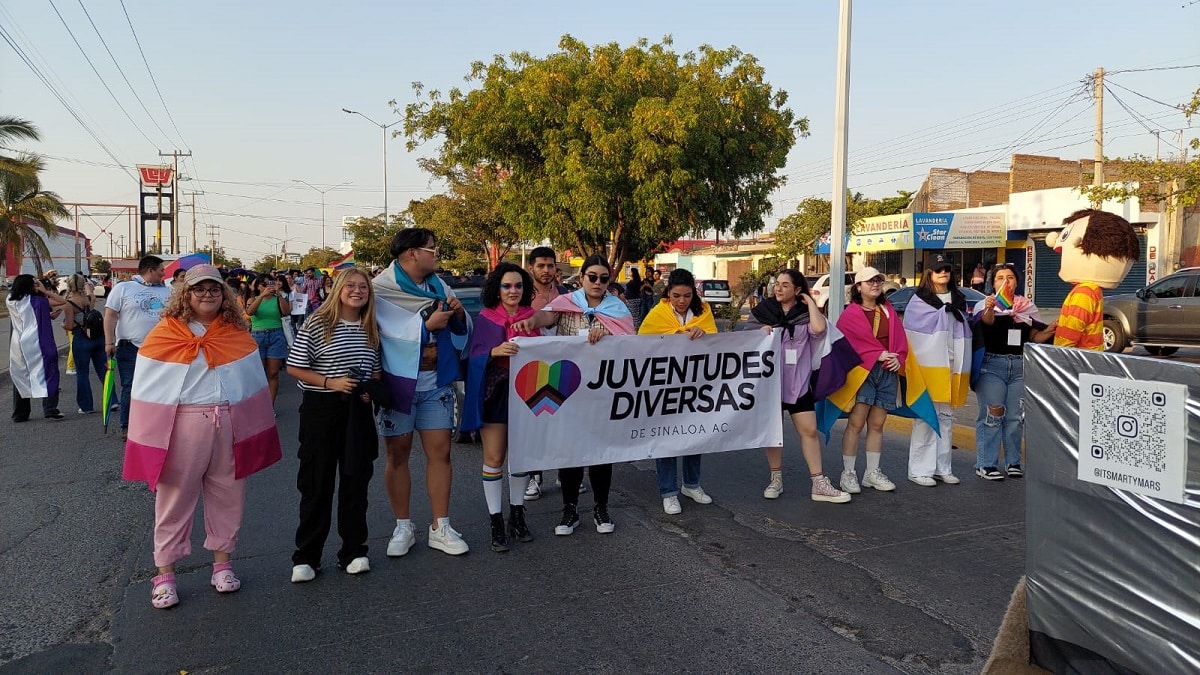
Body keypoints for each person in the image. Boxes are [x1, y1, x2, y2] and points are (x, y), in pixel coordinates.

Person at [122, 265, 282, 609]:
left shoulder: (236, 332)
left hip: (229, 421)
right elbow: (147, 387)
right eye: (199, 289)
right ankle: (165, 575)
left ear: (224, 294)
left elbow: (251, 383)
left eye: (214, 289)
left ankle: (222, 565)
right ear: (186, 294)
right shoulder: (166, 332)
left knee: (229, 493)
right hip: (183, 423)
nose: (207, 295)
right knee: (174, 498)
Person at [513, 254, 636, 536]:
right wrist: (530, 321)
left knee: (601, 452)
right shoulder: (567, 303)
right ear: (581, 278)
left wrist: (607, 336)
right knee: (570, 451)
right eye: (592, 277)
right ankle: (569, 510)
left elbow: (631, 344)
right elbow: (547, 316)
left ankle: (601, 508)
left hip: (603, 391)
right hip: (568, 390)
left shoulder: (618, 309)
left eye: (603, 278)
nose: (597, 283)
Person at [373, 228, 473, 557]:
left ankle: (440, 526)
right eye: (432, 248)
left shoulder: (439, 286)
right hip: (399, 384)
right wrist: (425, 327)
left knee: (441, 453)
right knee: (397, 455)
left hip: (435, 383)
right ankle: (403, 526)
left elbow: (460, 327)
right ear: (412, 253)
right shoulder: (380, 288)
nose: (436, 253)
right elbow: (378, 333)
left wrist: (459, 313)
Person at [286, 269, 385, 582]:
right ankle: (307, 556)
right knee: (316, 483)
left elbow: (376, 371)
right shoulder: (318, 322)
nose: (357, 291)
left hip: (357, 409)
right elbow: (295, 366)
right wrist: (331, 382)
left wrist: (369, 390)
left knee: (356, 482)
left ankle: (353, 551)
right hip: (321, 407)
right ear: (338, 289)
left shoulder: (371, 327)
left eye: (363, 287)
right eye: (350, 286)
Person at [747, 270, 849, 503]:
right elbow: (744, 339)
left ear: (797, 289)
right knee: (773, 433)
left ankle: (819, 483)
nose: (778, 288)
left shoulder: (805, 315)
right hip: (771, 384)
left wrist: (810, 303)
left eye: (785, 285)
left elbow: (819, 329)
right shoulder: (763, 312)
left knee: (809, 431)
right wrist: (759, 333)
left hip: (799, 384)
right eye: (777, 284)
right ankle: (775, 478)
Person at [461, 262, 541, 552]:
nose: (513, 291)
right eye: (507, 285)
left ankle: (517, 515)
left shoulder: (532, 318)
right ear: (497, 289)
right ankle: (496, 520)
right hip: (496, 392)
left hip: (527, 394)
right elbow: (472, 357)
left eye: (518, 285)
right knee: (494, 457)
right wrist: (494, 352)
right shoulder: (486, 318)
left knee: (520, 458)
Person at [638, 268, 717, 514]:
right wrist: (678, 334)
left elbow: (717, 343)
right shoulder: (657, 313)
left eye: (687, 295)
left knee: (695, 433)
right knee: (666, 437)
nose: (682, 301)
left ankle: (692, 484)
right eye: (676, 296)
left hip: (696, 384)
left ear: (694, 293)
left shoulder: (703, 312)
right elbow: (642, 342)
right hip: (665, 385)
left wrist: (703, 334)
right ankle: (669, 492)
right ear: (668, 294)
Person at [824, 267, 907, 494]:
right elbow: (845, 345)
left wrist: (898, 358)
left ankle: (872, 472)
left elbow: (900, 340)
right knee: (856, 423)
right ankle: (848, 473)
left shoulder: (888, 310)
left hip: (887, 372)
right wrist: (875, 354)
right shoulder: (850, 314)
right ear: (858, 287)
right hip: (862, 373)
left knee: (878, 424)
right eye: (870, 281)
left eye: (878, 280)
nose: (875, 284)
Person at [972, 264, 1056, 480]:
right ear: (993, 283)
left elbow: (1034, 337)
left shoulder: (1026, 306)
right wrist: (990, 308)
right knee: (993, 415)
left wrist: (1049, 331)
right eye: (1000, 278)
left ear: (1017, 282)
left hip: (1019, 366)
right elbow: (986, 322)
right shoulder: (987, 303)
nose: (1005, 281)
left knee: (1015, 418)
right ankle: (986, 464)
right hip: (991, 366)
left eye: (1010, 277)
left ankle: (1013, 462)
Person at [904, 255, 970, 487]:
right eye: (938, 269)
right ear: (929, 273)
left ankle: (943, 467)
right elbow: (912, 334)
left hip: (952, 363)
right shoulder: (919, 301)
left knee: (946, 418)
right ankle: (919, 469)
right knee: (926, 417)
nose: (943, 273)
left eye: (947, 269)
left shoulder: (959, 299)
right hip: (929, 366)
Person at [1047, 209, 1140, 350]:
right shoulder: (1093, 289)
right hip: (1090, 356)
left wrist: (1059, 353)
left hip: (1078, 358)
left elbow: (1070, 333)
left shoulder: (1084, 292)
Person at [522, 246, 571, 501]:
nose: (546, 270)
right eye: (540, 266)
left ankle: (566, 473)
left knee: (563, 423)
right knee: (535, 423)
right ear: (531, 267)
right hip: (532, 367)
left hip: (562, 366)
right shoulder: (522, 295)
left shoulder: (565, 294)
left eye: (550, 265)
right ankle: (534, 476)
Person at [104, 255, 170, 439]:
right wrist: (109, 342)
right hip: (130, 347)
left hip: (159, 348)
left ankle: (154, 425)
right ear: (150, 270)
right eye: (161, 270)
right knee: (131, 385)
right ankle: (127, 426)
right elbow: (110, 315)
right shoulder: (124, 288)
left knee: (159, 387)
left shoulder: (167, 291)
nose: (163, 274)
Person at [8, 274, 66, 422]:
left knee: (21, 376)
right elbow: (62, 301)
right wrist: (45, 291)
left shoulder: (10, 301)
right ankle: (50, 408)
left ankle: (20, 414)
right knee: (50, 373)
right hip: (40, 342)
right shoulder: (39, 301)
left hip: (19, 344)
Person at [62, 273, 115, 415]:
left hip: (81, 337)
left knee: (82, 373)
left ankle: (86, 406)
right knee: (103, 370)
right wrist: (88, 288)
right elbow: (92, 299)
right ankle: (113, 400)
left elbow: (69, 325)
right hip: (97, 337)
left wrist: (63, 325)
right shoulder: (89, 299)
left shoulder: (69, 304)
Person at [246, 273, 291, 404]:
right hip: (258, 336)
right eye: (264, 285)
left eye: (270, 284)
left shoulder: (277, 299)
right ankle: (259, 405)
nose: (267, 287)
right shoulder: (252, 299)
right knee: (258, 374)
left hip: (276, 335)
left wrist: (279, 295)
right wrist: (261, 296)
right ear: (258, 287)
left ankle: (270, 407)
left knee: (273, 373)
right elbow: (250, 312)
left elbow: (286, 312)